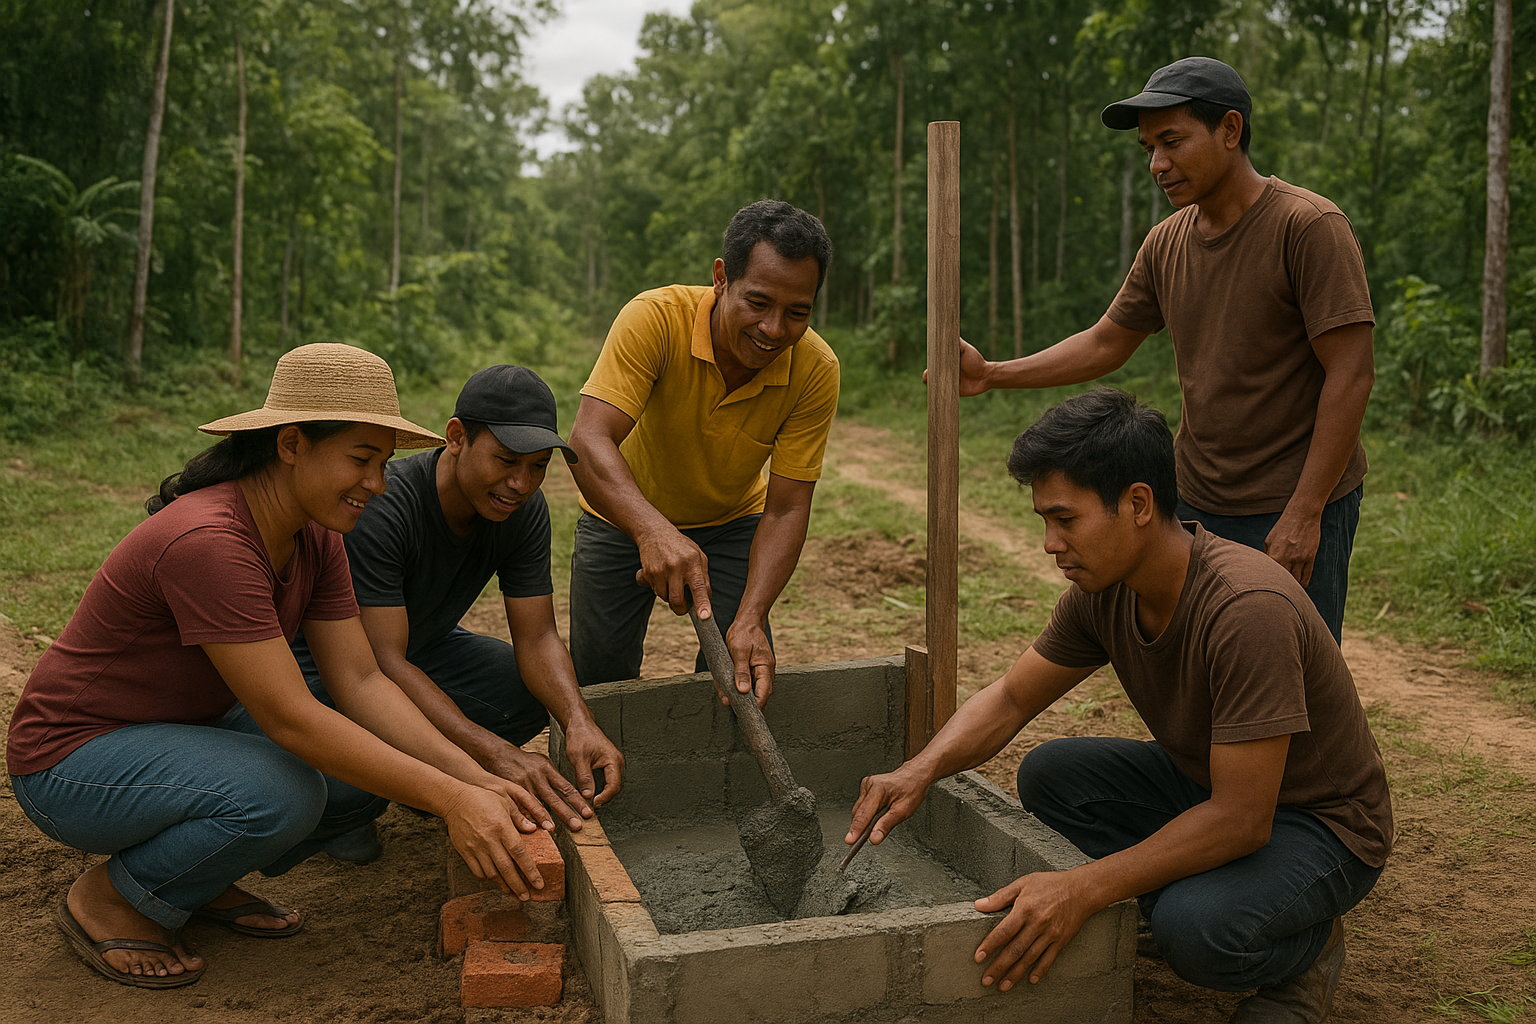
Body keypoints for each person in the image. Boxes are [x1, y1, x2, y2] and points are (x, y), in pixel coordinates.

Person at [6, 343, 554, 989]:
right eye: (360, 460)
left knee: (354, 776)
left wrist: (476, 779)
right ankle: (112, 897)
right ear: (291, 444)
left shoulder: (314, 533)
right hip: (72, 760)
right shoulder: (211, 541)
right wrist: (454, 798)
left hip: (181, 733)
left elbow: (362, 680)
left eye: (383, 463)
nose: (377, 484)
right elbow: (291, 719)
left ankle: (194, 878)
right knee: (283, 792)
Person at [847, 389, 1392, 1023]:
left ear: (1137, 504)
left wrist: (1081, 889)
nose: (1050, 543)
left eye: (1065, 519)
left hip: (1321, 825)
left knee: (1196, 929)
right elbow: (1012, 696)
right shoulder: (1106, 591)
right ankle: (1182, 894)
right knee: (1053, 776)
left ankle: (1307, 952)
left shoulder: (1247, 611)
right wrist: (919, 770)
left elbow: (1244, 819)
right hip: (1211, 785)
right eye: (1044, 521)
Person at [951, 57, 1375, 643]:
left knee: (1288, 664)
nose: (1157, 165)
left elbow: (1351, 373)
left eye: (1172, 142)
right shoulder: (1166, 242)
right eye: (1149, 148)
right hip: (1196, 499)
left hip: (1292, 503)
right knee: (1194, 659)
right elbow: (1107, 341)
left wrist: (1305, 513)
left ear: (1230, 130)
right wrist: (993, 374)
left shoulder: (1307, 226)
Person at [289, 364, 624, 861]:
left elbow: (537, 637)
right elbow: (381, 663)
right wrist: (492, 752)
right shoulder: (386, 506)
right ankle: (348, 816)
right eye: (506, 460)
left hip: (422, 651)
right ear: (456, 437)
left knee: (529, 690)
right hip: (333, 671)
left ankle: (428, 781)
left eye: (537, 466)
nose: (521, 483)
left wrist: (579, 719)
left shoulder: (522, 510)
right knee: (347, 788)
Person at [566, 199, 839, 705]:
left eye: (797, 313)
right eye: (758, 303)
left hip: (732, 523)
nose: (774, 329)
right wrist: (651, 531)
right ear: (721, 278)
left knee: (740, 675)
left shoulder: (815, 369)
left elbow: (786, 507)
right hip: (620, 514)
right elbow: (588, 439)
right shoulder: (654, 319)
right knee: (599, 680)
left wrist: (752, 616)